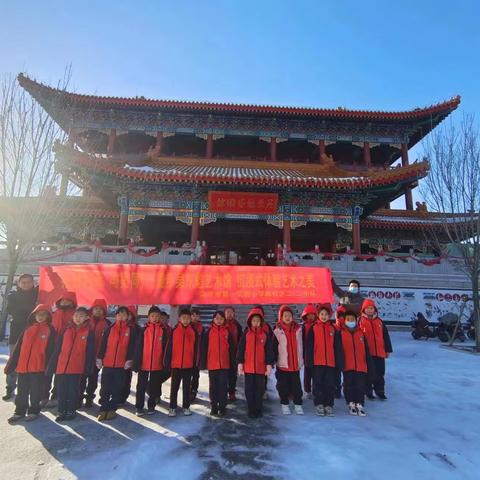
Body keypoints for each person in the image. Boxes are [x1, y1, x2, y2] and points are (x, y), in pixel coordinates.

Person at [5, 304, 56, 424]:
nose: (40, 317)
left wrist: (49, 367)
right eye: (38, 314)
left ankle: (34, 411)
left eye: (43, 315)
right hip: (23, 367)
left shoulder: (50, 331)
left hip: (38, 368)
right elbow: (18, 348)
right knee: (22, 391)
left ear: (48, 316)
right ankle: (19, 411)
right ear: (34, 315)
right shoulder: (27, 329)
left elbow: (51, 351)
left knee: (35, 391)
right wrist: (11, 365)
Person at [47, 307, 95, 422]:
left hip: (76, 367)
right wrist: (52, 365)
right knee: (61, 390)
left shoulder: (89, 332)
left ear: (87, 318)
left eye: (82, 316)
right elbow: (57, 349)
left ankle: (71, 410)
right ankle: (61, 410)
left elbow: (90, 352)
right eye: (76, 315)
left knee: (73, 390)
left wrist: (88, 367)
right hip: (62, 366)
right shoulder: (66, 330)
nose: (78, 318)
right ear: (73, 317)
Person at [96, 306, 137, 421]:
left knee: (117, 388)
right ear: (116, 316)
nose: (121, 316)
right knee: (105, 388)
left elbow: (132, 347)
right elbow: (103, 344)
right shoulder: (109, 329)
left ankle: (112, 409)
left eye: (124, 314)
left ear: (128, 316)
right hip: (108, 364)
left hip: (121, 365)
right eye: (119, 314)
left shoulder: (130, 329)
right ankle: (103, 408)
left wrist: (129, 359)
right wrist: (99, 357)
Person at [3, 274, 38, 401]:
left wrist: (50, 274)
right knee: (13, 361)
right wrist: (32, 309)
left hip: (35, 334)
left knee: (31, 362)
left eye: (29, 282)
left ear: (33, 282)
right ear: (18, 283)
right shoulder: (13, 296)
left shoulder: (38, 293)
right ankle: (10, 388)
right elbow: (12, 311)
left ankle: (27, 389)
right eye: (23, 282)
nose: (26, 284)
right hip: (16, 334)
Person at [305, 304, 342, 416]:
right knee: (317, 384)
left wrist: (338, 361)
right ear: (318, 315)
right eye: (322, 314)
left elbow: (337, 347)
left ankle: (329, 404)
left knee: (329, 384)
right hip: (317, 362)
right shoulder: (314, 328)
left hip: (330, 363)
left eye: (326, 314)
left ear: (329, 315)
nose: (324, 316)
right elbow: (309, 346)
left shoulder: (333, 328)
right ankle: (319, 404)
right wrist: (309, 361)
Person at [133, 306, 169, 416]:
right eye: (152, 316)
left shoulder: (163, 331)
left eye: (157, 316)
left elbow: (165, 348)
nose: (155, 318)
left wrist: (164, 362)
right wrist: (136, 362)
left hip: (157, 364)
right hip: (144, 363)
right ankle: (139, 407)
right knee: (141, 386)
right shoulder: (143, 330)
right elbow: (138, 347)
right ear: (148, 317)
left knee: (154, 387)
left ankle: (151, 406)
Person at [237, 307, 273, 418]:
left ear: (261, 322)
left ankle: (258, 409)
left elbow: (268, 351)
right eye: (254, 321)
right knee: (249, 389)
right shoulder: (246, 333)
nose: (256, 323)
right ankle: (251, 408)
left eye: (258, 320)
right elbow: (241, 349)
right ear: (250, 321)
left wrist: (269, 364)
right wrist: (240, 362)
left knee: (259, 390)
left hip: (260, 368)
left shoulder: (265, 334)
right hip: (249, 368)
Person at [164, 308, 200, 417]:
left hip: (188, 365)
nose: (186, 320)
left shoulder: (193, 332)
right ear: (179, 318)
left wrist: (195, 364)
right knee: (174, 387)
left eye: (188, 318)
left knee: (186, 387)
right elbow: (168, 347)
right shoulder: (174, 331)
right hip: (176, 365)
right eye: (183, 318)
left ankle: (186, 406)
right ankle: (172, 407)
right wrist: (167, 361)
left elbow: (196, 349)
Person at [45, 291, 78, 406]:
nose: (65, 302)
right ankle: (44, 396)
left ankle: (56, 396)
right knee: (48, 371)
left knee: (60, 373)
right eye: (63, 300)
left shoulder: (75, 315)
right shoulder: (53, 313)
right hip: (51, 346)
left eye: (68, 300)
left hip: (65, 348)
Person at [338, 310, 372, 416]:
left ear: (356, 320)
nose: (350, 321)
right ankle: (350, 402)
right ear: (345, 321)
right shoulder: (341, 333)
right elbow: (339, 350)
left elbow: (366, 350)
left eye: (352, 319)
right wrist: (341, 363)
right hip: (348, 365)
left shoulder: (361, 333)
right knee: (348, 385)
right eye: (348, 319)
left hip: (360, 365)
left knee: (360, 385)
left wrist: (368, 362)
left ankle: (360, 403)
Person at [200, 310, 234, 417]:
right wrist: (203, 363)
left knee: (223, 386)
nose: (219, 321)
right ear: (213, 319)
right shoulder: (208, 332)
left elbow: (232, 349)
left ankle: (222, 407)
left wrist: (233, 363)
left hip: (224, 364)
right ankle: (214, 406)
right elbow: (204, 348)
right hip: (212, 364)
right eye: (217, 318)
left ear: (224, 320)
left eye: (221, 318)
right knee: (213, 387)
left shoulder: (227, 332)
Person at [358, 299, 393, 400]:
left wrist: (387, 350)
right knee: (368, 373)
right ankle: (368, 391)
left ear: (374, 309)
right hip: (367, 353)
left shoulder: (379, 321)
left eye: (371, 308)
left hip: (379, 352)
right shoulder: (360, 321)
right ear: (363, 309)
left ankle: (380, 391)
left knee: (380, 373)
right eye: (367, 308)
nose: (369, 310)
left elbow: (385, 336)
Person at [272, 305, 304, 415]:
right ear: (281, 317)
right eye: (285, 316)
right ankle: (284, 404)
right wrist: (273, 360)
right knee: (283, 387)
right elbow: (273, 347)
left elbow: (301, 345)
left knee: (297, 387)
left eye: (289, 315)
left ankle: (298, 404)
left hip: (295, 364)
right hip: (283, 365)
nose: (287, 317)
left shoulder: (298, 330)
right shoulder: (277, 331)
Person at [79, 299, 110, 408]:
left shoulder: (107, 324)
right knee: (81, 378)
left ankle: (89, 397)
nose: (97, 311)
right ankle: (79, 398)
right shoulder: (86, 321)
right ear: (92, 310)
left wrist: (102, 356)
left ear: (104, 311)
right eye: (95, 309)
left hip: (97, 356)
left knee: (93, 378)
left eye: (100, 309)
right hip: (84, 355)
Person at [119, 305, 140, 404]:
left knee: (126, 379)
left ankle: (123, 397)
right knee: (117, 379)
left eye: (130, 315)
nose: (127, 317)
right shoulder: (118, 326)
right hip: (118, 357)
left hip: (129, 357)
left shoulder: (136, 328)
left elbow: (137, 344)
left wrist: (133, 358)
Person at [224, 306, 242, 402]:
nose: (229, 314)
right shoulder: (221, 324)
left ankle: (231, 393)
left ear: (234, 313)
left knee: (232, 375)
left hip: (234, 354)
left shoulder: (237, 326)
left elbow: (241, 340)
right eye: (227, 312)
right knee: (223, 375)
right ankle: (223, 392)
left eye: (231, 312)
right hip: (223, 354)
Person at [300, 304, 317, 398]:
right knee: (307, 373)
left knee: (316, 373)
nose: (311, 316)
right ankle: (307, 390)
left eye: (312, 314)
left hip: (317, 353)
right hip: (307, 353)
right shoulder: (303, 326)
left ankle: (315, 389)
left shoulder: (317, 325)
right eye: (309, 314)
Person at [190, 307, 204, 402]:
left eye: (197, 316)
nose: (195, 317)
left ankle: (194, 391)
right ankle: (188, 391)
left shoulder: (201, 328)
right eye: (193, 315)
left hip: (197, 356)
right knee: (187, 376)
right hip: (188, 356)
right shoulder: (187, 326)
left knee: (196, 375)